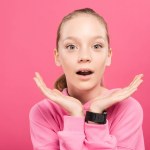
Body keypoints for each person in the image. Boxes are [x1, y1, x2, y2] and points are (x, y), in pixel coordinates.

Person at [29, 8, 145, 150]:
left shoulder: (127, 109)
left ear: (108, 56)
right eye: (71, 46)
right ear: (57, 56)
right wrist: (75, 115)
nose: (84, 56)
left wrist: (95, 116)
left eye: (96, 46)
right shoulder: (43, 113)